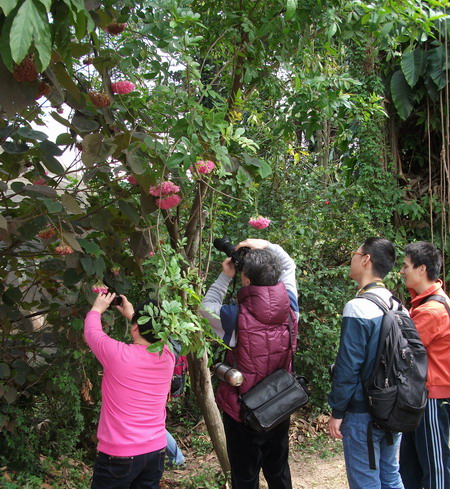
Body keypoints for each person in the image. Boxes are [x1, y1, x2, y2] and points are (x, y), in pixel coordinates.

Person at [201, 238, 299, 489]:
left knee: (245, 477)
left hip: (242, 410)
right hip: (280, 402)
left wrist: (224, 277)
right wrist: (264, 243)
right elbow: (289, 265)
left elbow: (204, 308)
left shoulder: (233, 317)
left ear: (245, 278)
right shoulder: (290, 306)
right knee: (278, 472)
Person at [328, 237, 404, 489]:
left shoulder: (358, 307)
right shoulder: (399, 306)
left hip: (363, 411)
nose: (352, 258)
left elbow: (348, 367)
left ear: (365, 259)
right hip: (394, 406)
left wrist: (338, 411)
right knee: (390, 476)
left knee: (365, 481)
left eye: (354, 252)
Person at [84, 293, 175, 489]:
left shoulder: (118, 355)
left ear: (135, 327)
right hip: (155, 451)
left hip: (119, 454)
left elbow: (92, 332)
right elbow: (153, 335)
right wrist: (133, 315)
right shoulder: (167, 355)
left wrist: (97, 309)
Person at [399, 241, 450, 489]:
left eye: (405, 265)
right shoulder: (425, 304)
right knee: (411, 466)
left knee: (434, 466)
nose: (401, 271)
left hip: (431, 397)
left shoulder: (431, 311)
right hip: (422, 395)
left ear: (421, 269)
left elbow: (402, 350)